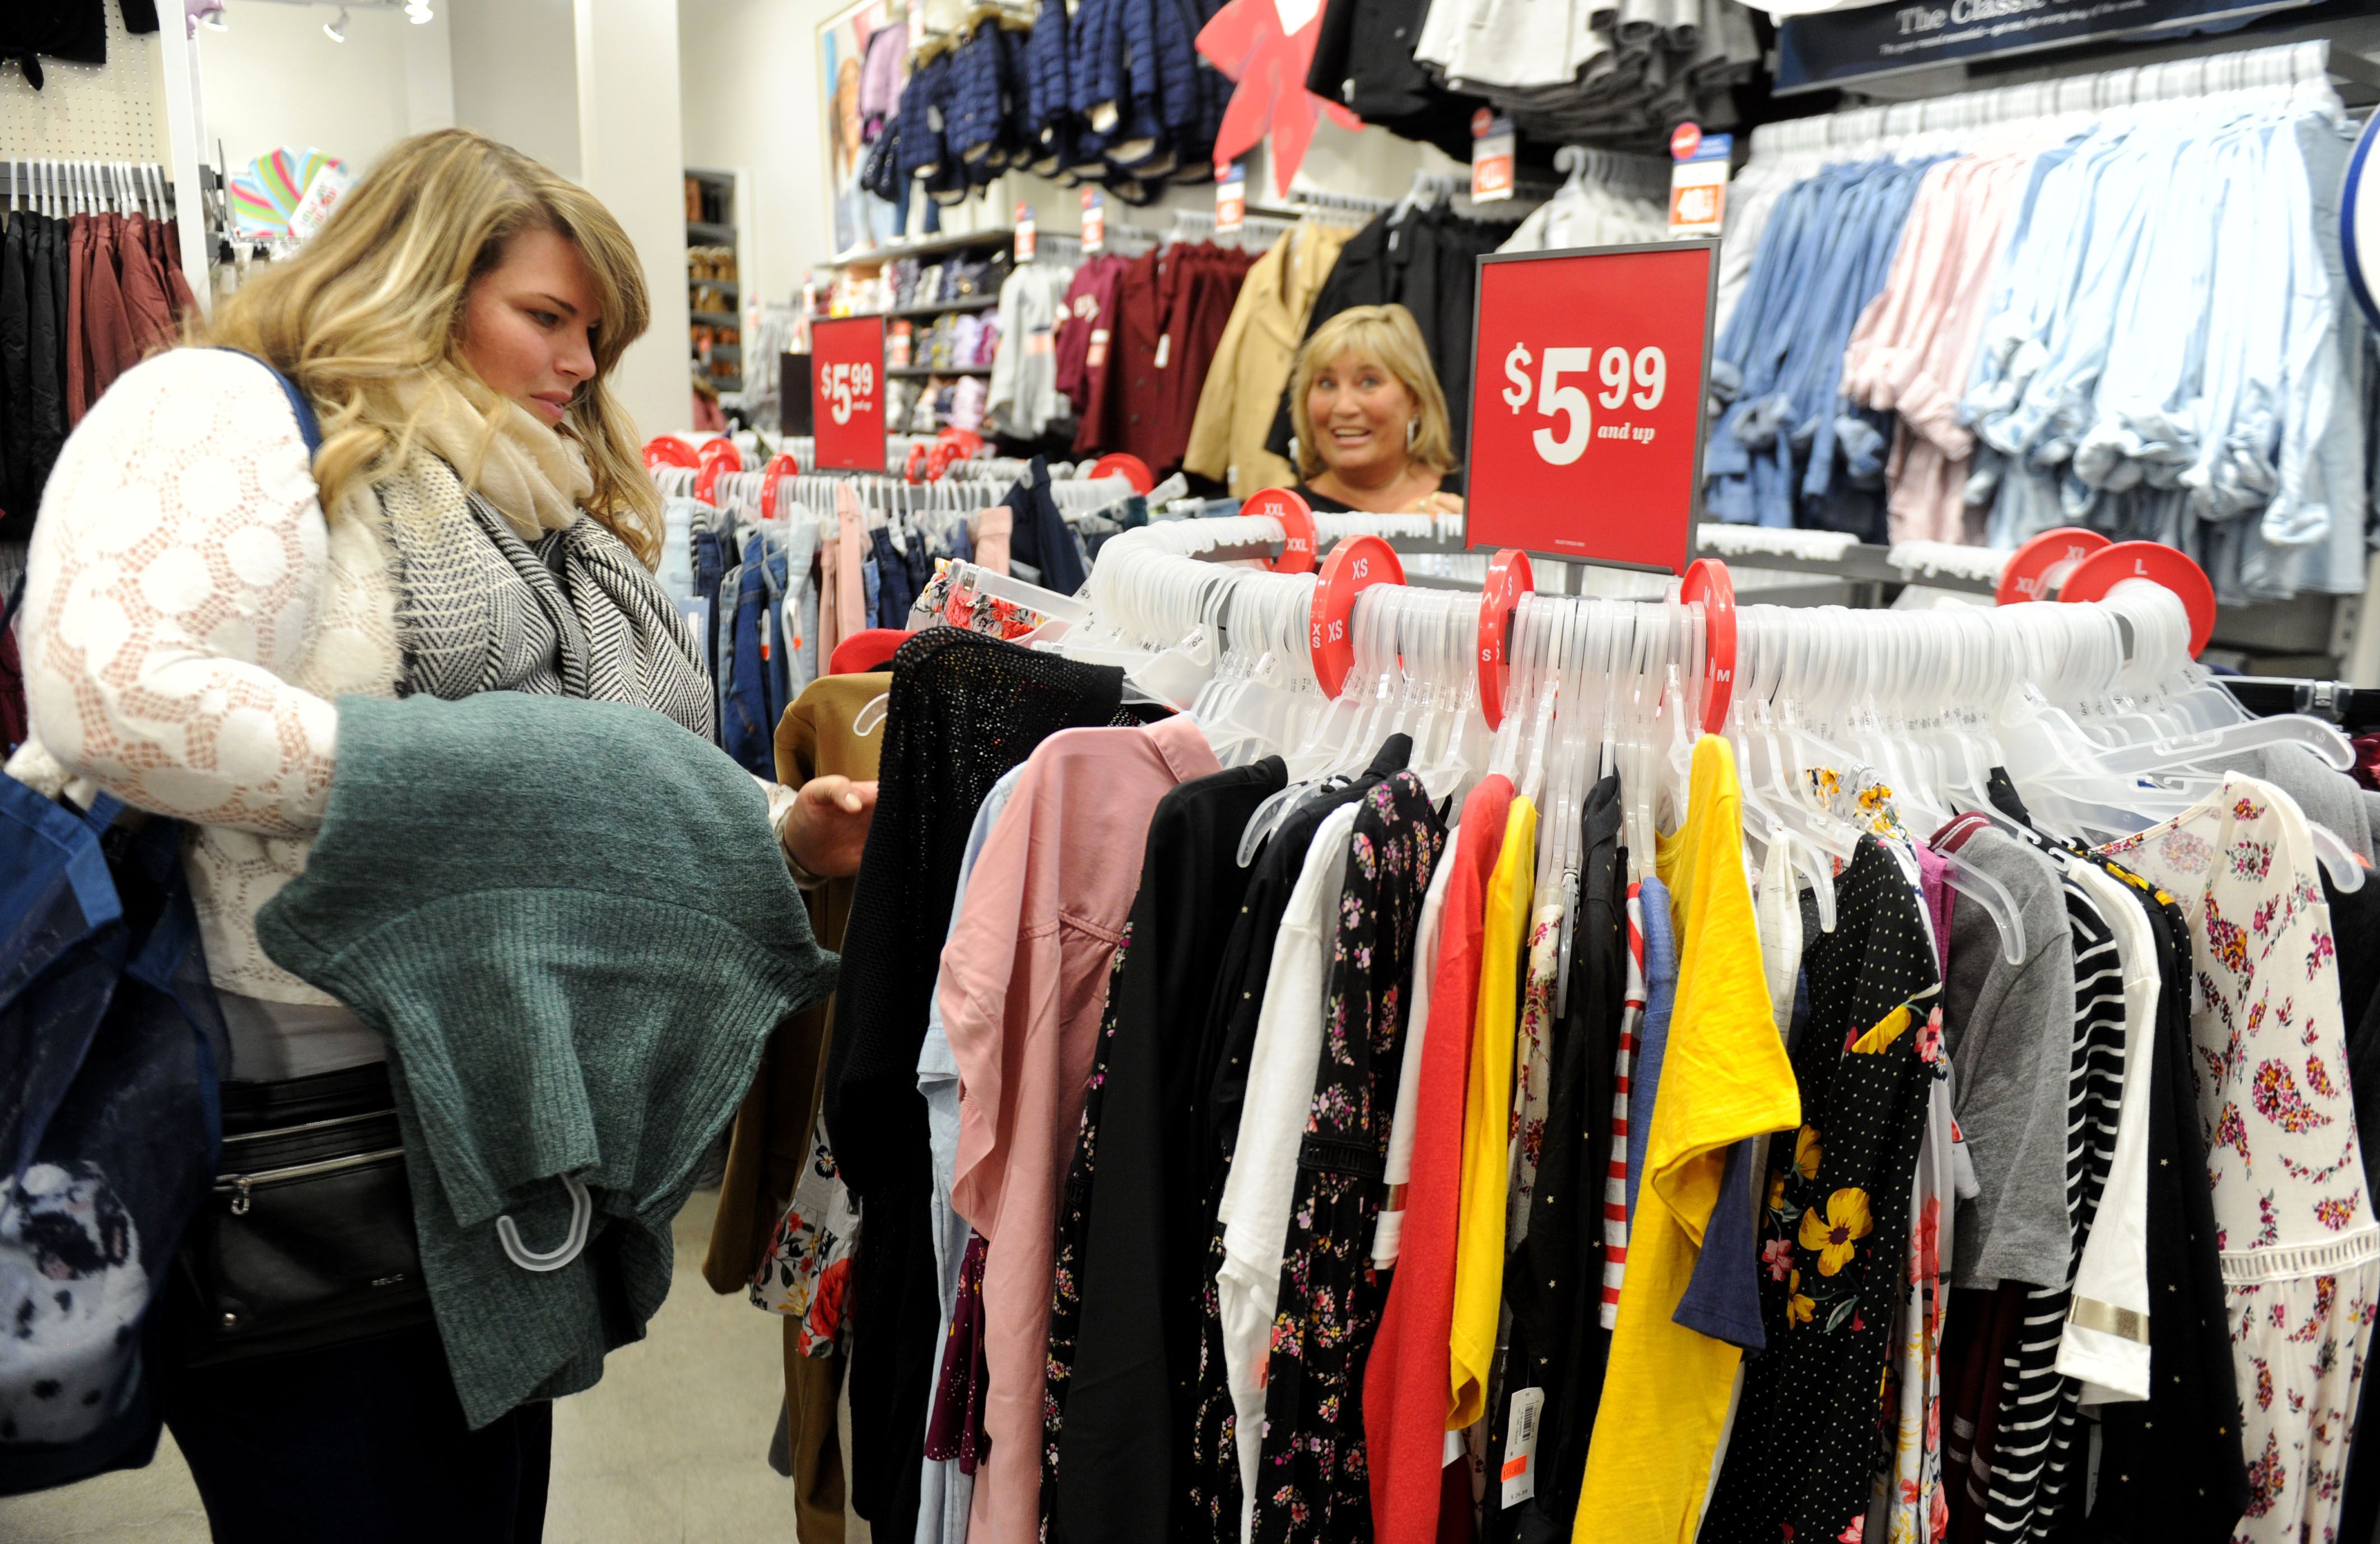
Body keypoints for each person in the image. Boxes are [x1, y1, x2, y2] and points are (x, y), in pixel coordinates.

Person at [4, 128, 871, 1539]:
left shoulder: (513, 505)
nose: (582, 364)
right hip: (296, 1151)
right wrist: (520, 777)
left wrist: (773, 823)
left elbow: (597, 771)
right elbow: (114, 700)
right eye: (548, 315)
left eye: (595, 332)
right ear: (414, 280)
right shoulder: (223, 413)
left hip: (491, 1129)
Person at [1288, 302, 1465, 515]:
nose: (1344, 407)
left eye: (1369, 382)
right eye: (1327, 383)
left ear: (1415, 398)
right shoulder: (1279, 520)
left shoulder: (1472, 501)